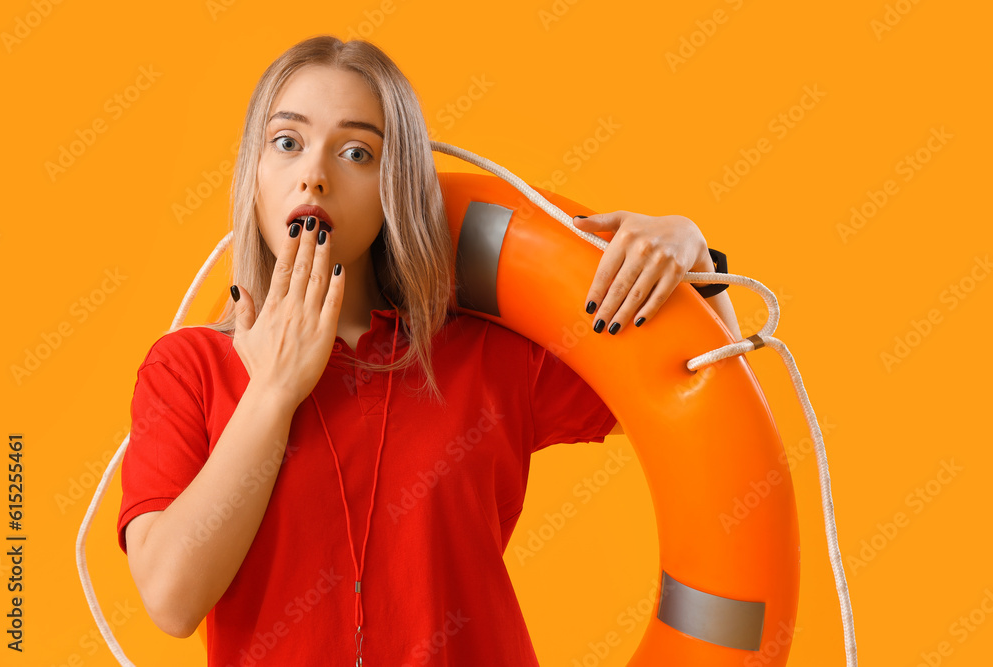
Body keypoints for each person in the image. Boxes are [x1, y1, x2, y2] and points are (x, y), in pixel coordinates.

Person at [116, 35, 742, 666]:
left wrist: (696, 255)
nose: (315, 173)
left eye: (357, 151)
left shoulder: (486, 357)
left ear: (395, 184)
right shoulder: (186, 369)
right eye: (287, 142)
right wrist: (274, 389)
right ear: (253, 172)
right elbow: (171, 600)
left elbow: (707, 412)